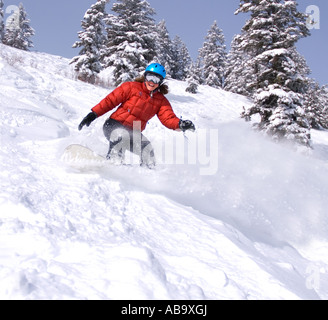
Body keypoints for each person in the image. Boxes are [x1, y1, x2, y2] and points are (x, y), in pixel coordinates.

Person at [78, 63, 195, 167]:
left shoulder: (161, 101)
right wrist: (93, 114)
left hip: (133, 132)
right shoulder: (131, 87)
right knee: (120, 136)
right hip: (114, 124)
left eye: (156, 79)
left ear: (160, 82)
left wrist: (180, 124)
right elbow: (110, 101)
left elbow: (168, 117)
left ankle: (146, 175)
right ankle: (113, 163)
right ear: (145, 76)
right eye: (150, 77)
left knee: (148, 151)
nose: (152, 82)